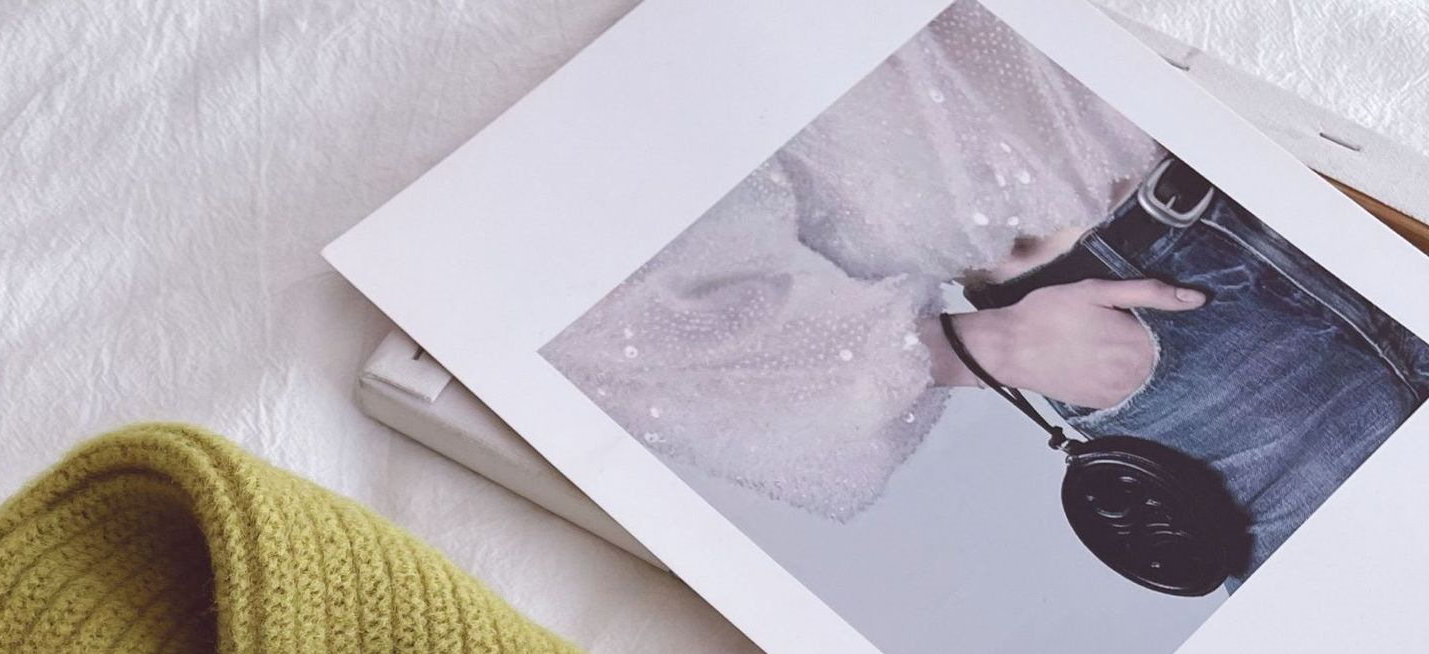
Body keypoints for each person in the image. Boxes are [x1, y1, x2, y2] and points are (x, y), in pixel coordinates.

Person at [542, 0, 1429, 578]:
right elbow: (602, 327)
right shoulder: (625, 54)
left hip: (1331, 164)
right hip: (1188, 345)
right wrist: (980, 348)